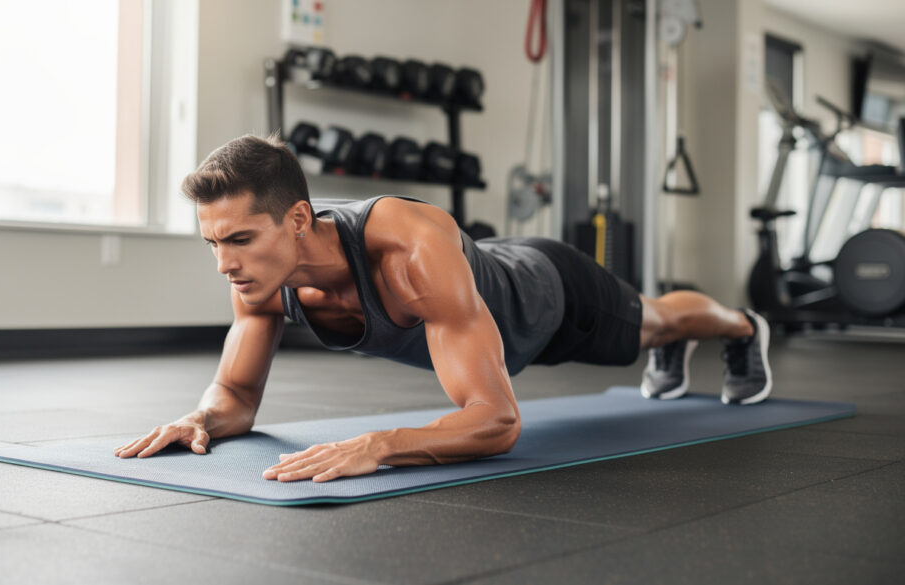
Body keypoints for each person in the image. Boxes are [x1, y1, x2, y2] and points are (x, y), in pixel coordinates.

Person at [114, 134, 772, 483]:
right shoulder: (258, 274)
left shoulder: (408, 248)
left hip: (548, 296)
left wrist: (382, 444)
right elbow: (235, 392)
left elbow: (495, 421)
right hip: (483, 289)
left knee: (657, 320)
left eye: (237, 239)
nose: (223, 262)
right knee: (654, 326)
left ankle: (742, 326)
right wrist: (200, 419)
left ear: (295, 219)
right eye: (212, 242)